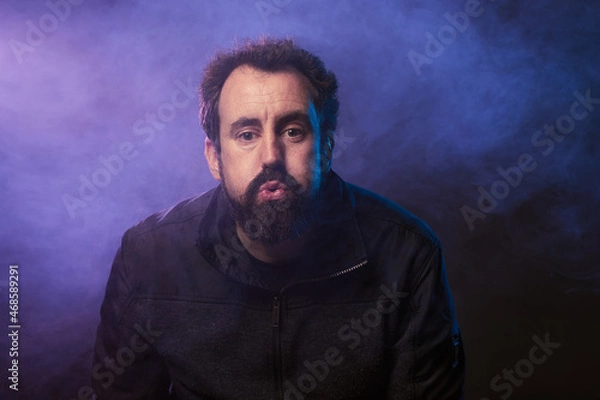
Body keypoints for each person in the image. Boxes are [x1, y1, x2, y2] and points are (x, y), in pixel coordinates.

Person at [92, 37, 465, 399]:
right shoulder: (148, 256)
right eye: (247, 134)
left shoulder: (407, 255)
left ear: (326, 147)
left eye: (292, 131)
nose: (271, 155)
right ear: (214, 157)